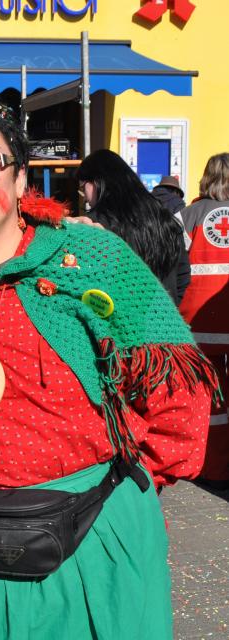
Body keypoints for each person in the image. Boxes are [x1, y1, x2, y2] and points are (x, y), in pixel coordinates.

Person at [0, 94, 218, 640]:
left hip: (95, 545)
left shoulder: (94, 259)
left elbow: (178, 395)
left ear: (21, 180)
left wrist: (124, 498)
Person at [77, 149, 190, 305]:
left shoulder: (96, 224)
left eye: (83, 188)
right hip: (164, 313)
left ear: (97, 182)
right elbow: (183, 278)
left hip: (118, 316)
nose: (85, 199)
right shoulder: (164, 217)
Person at [179, 152, 229, 490]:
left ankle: (213, 468)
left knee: (210, 399)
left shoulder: (187, 216)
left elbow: (168, 263)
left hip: (198, 324)